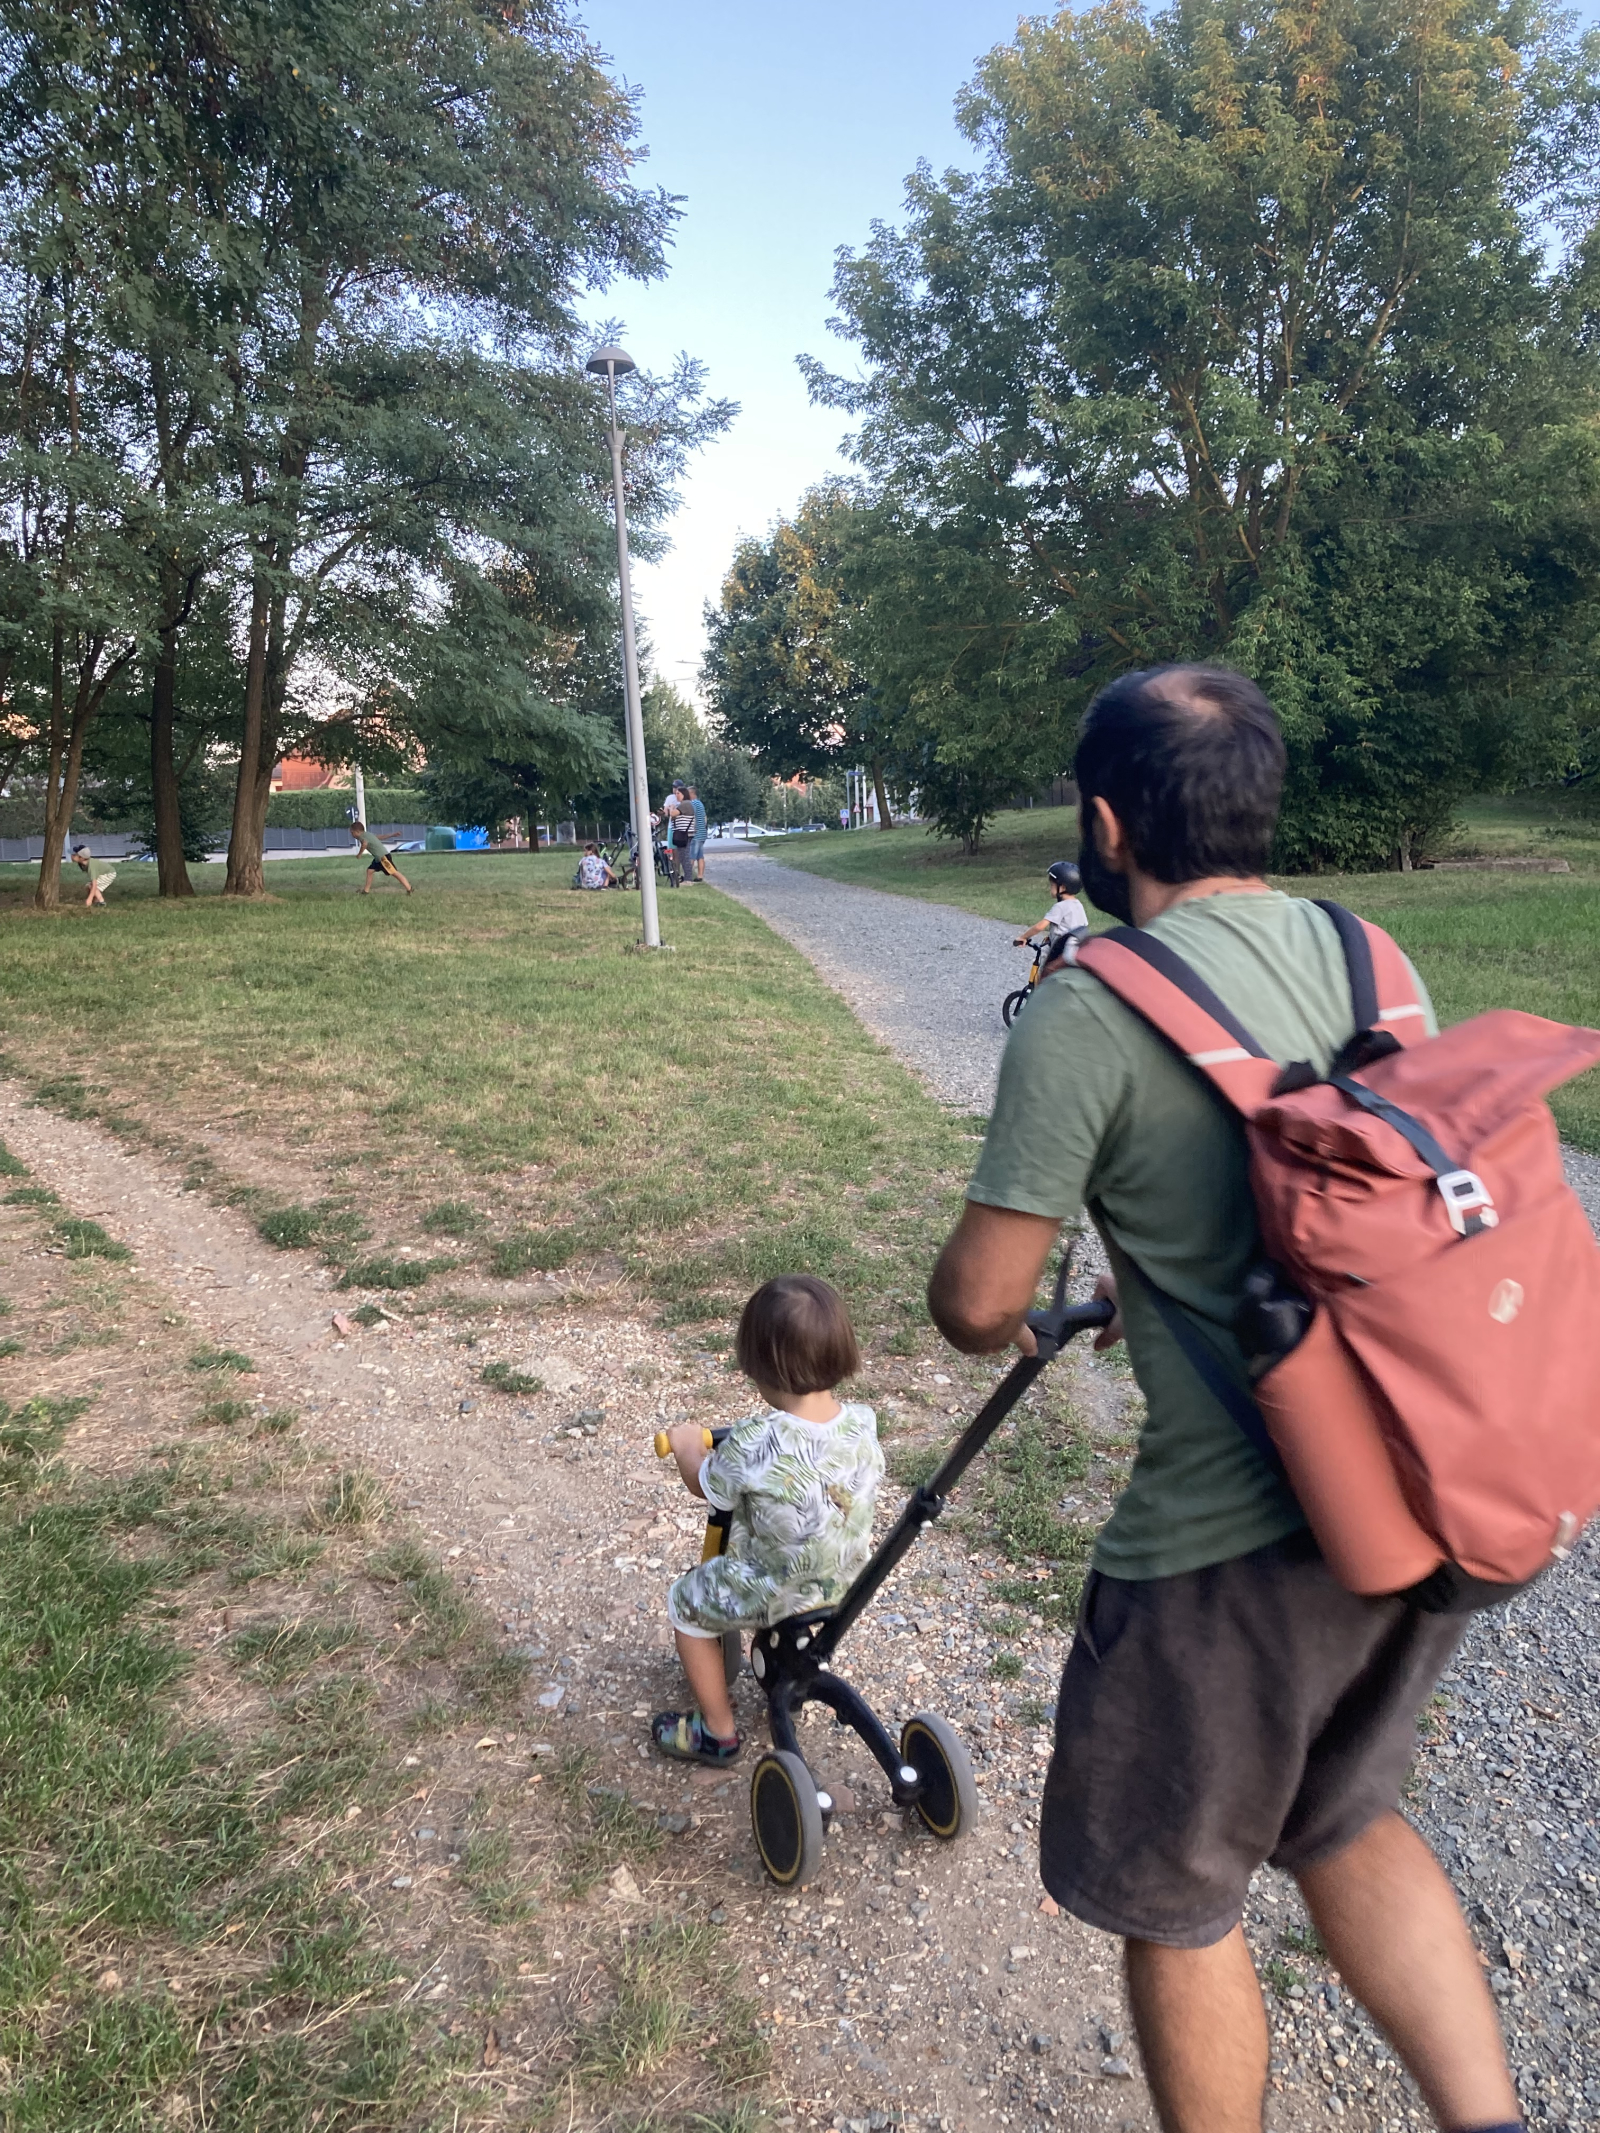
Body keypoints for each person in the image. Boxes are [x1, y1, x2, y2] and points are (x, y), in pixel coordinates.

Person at [928, 664, 1523, 2133]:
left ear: (1111, 819)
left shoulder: (1089, 1009)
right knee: (1345, 1816)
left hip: (1224, 1554)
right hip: (1414, 1499)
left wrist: (1066, 1279)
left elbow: (978, 1302)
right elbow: (1352, 1199)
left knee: (1181, 1899)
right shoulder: (1373, 956)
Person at [652, 1275, 882, 1766]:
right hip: (840, 1586)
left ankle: (717, 1730)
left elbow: (705, 1484)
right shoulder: (862, 1422)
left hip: (772, 1589)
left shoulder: (755, 1441)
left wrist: (690, 1446)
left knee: (686, 1605)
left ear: (759, 1366)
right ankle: (788, 1663)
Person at [1014, 858, 1090, 969]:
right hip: (1077, 953)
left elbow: (1040, 927)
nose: (1050, 888)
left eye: (1052, 885)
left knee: (1046, 976)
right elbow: (1082, 928)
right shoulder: (1078, 905)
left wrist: (1023, 937)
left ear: (1062, 887)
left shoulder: (1060, 906)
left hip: (1061, 954)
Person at [350, 820, 413, 895]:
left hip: (383, 858)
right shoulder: (368, 834)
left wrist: (359, 854)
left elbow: (364, 844)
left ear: (357, 831)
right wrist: (392, 835)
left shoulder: (362, 837)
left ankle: (409, 889)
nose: (352, 834)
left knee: (394, 873)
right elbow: (379, 837)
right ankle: (366, 891)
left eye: (352, 832)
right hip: (378, 858)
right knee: (370, 871)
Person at [666, 780, 693, 887]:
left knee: (685, 856)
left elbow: (672, 814)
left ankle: (688, 879)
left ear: (684, 794)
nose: (676, 795)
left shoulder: (685, 804)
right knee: (682, 855)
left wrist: (671, 808)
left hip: (685, 834)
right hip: (682, 833)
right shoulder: (684, 804)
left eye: (678, 793)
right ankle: (686, 877)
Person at [687, 782, 708, 881]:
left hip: (695, 834)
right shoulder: (700, 803)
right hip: (702, 833)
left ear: (692, 794)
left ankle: (688, 876)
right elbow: (704, 818)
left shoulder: (693, 804)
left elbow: (692, 817)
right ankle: (700, 875)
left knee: (691, 855)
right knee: (700, 855)